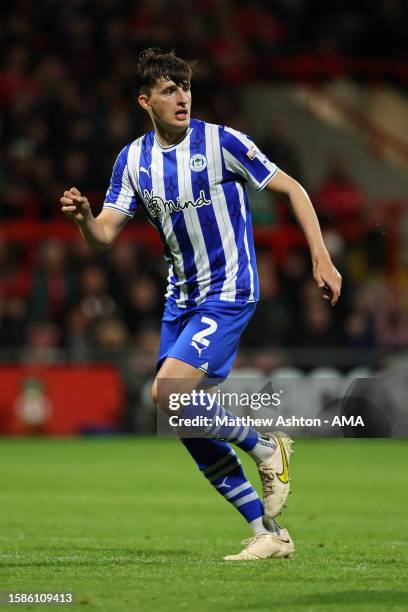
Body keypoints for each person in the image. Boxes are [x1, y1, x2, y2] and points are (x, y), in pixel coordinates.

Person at [60, 48, 342, 560]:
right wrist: (83, 218)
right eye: (169, 90)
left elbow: (293, 189)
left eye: (185, 86)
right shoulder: (133, 160)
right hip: (181, 302)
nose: (182, 96)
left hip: (229, 291)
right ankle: (269, 533)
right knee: (185, 419)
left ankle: (263, 444)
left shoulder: (222, 142)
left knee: (166, 394)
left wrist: (320, 257)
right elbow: (103, 235)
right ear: (145, 101)